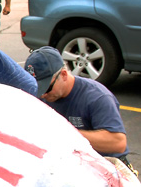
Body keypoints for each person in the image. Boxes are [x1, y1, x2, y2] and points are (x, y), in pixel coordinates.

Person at [24, 46, 137, 175]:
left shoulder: (97, 97)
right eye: (38, 89)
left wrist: (68, 134)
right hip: (70, 165)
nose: (43, 95)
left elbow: (117, 143)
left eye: (47, 88)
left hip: (107, 169)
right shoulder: (40, 96)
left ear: (64, 74)